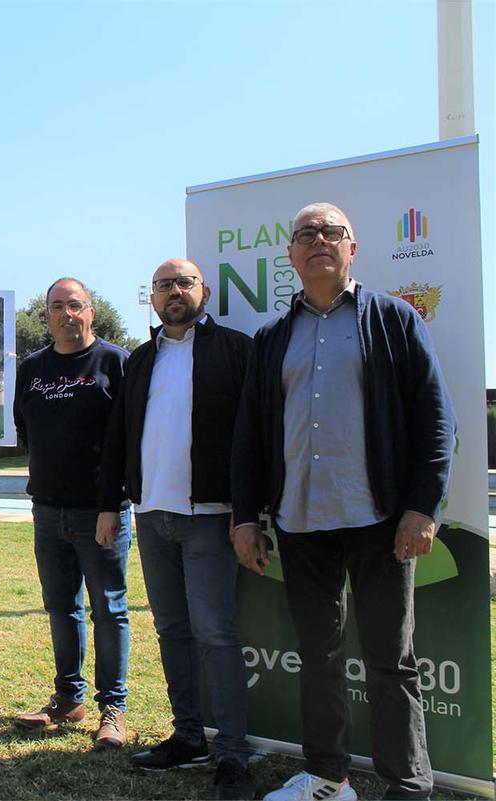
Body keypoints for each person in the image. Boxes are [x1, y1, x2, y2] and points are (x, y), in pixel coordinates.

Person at [232, 203, 455, 801]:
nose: (319, 241)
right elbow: (250, 436)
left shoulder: (394, 320)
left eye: (332, 232)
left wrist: (422, 506)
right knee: (319, 656)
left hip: (381, 521)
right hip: (301, 523)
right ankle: (329, 777)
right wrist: (245, 517)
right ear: (292, 255)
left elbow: (436, 421)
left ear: (351, 249)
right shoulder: (273, 338)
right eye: (306, 234)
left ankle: (408, 787)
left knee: (391, 659)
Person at [97, 258, 253, 799]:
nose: (174, 292)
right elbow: (118, 436)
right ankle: (188, 737)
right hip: (152, 515)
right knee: (172, 633)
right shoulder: (141, 359)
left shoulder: (235, 350)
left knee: (216, 635)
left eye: (184, 283)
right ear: (153, 298)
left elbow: (254, 436)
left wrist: (248, 512)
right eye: (164, 286)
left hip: (212, 519)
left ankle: (233, 754)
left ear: (203, 291)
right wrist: (110, 504)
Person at [11, 277, 132, 748]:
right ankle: (68, 698)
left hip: (99, 514)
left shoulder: (115, 362)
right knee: (62, 609)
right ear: (47, 315)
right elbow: (21, 427)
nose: (66, 314)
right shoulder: (33, 368)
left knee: (110, 610)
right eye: (57, 307)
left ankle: (113, 709)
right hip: (47, 511)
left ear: (91, 312)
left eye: (75, 305)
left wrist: (112, 504)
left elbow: (127, 438)